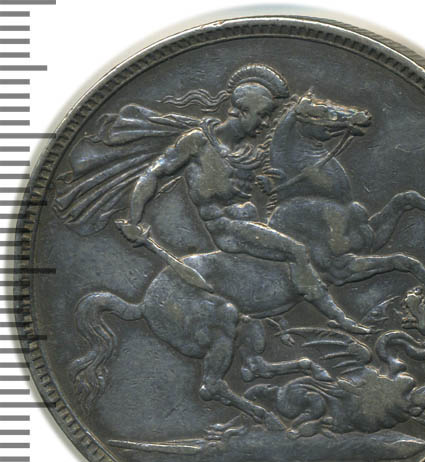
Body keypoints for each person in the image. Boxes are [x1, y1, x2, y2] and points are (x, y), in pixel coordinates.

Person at [116, 64, 368, 334]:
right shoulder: (198, 142)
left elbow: (248, 189)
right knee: (297, 251)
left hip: (251, 222)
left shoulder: (247, 151)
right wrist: (134, 218)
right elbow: (153, 174)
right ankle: (339, 318)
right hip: (227, 229)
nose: (265, 124)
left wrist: (267, 184)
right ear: (242, 112)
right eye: (262, 116)